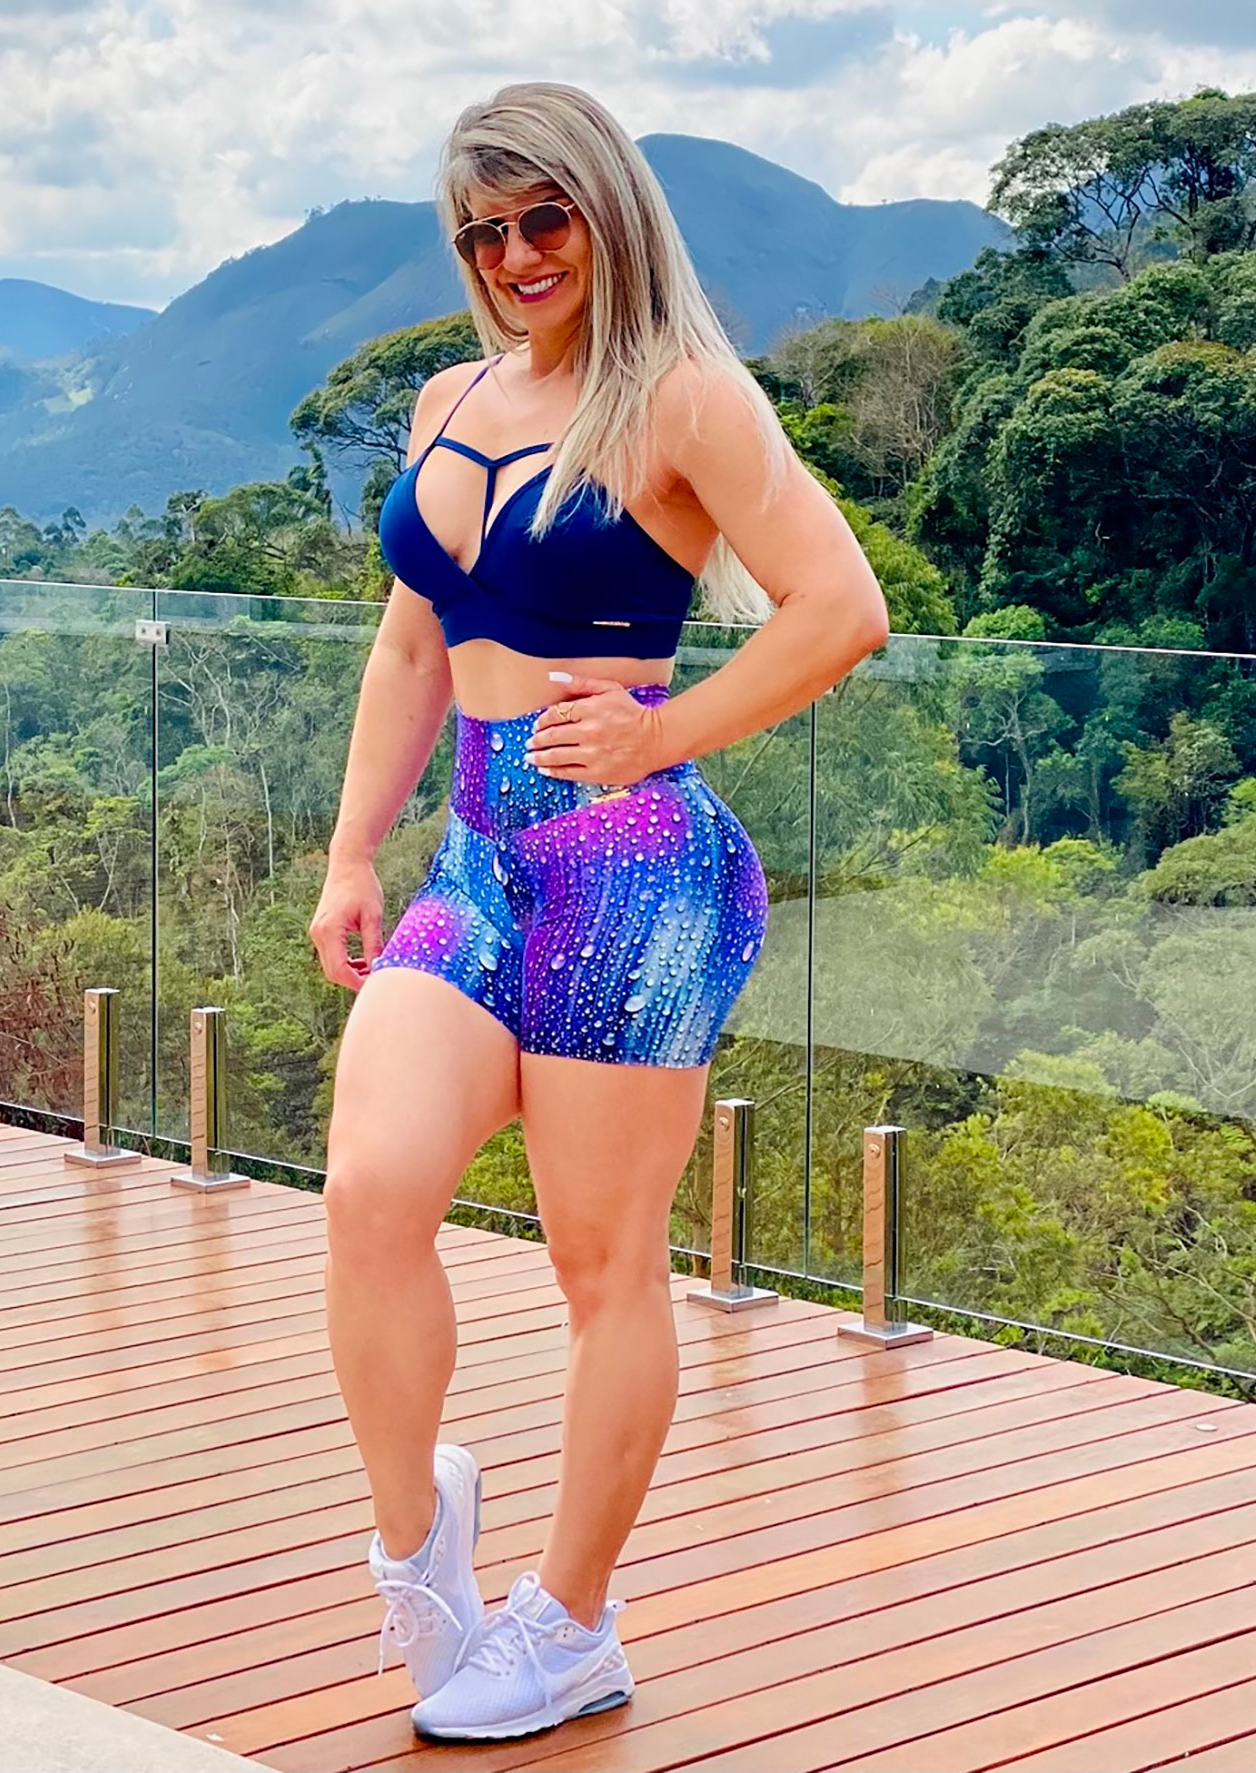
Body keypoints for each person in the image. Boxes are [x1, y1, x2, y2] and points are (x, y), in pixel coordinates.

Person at [307, 81, 888, 1744]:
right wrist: (352, 849)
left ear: (605, 210)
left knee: (600, 1261)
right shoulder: (446, 399)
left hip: (634, 873)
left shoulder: (684, 397)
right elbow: (411, 643)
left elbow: (839, 606)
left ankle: (571, 1622)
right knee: (367, 1193)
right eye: (485, 230)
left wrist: (661, 727)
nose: (515, 254)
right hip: (476, 860)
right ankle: (419, 1547)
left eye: (544, 216)